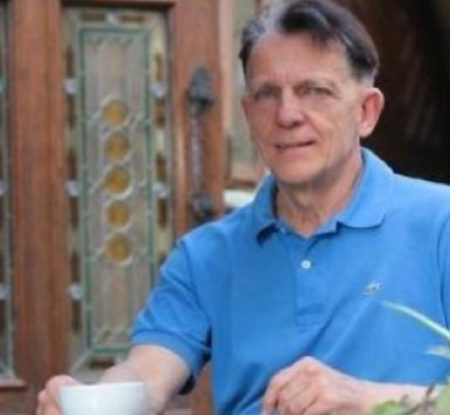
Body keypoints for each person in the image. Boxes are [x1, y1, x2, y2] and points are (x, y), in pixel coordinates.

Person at [37, 0, 450, 414]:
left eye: (314, 91)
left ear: (366, 111)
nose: (287, 114)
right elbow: (147, 375)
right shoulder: (204, 256)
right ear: (248, 113)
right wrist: (88, 402)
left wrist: (368, 400)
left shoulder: (440, 223)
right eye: (267, 94)